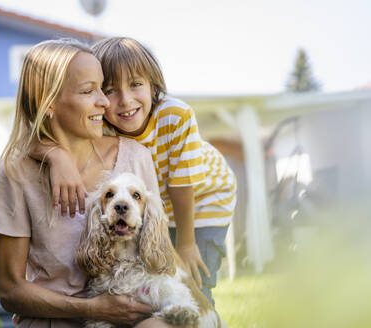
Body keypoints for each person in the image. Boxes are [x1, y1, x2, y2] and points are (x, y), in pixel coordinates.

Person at [0, 39, 174, 327]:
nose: (105, 101)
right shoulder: (17, 172)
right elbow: (10, 290)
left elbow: (159, 255)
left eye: (102, 87)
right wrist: (93, 310)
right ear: (47, 103)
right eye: (89, 91)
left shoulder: (135, 157)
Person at [38, 37, 237, 306]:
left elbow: (183, 184)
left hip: (204, 198)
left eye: (135, 84)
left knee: (191, 279)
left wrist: (186, 244)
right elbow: (35, 138)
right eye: (110, 90)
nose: (125, 100)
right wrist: (56, 156)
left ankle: (203, 311)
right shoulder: (104, 125)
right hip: (152, 205)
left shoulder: (176, 115)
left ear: (153, 86)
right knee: (154, 273)